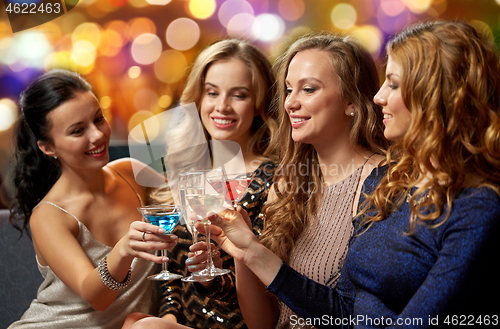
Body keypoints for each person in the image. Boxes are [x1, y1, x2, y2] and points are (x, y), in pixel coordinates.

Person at [200, 20, 500, 328]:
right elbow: (342, 312)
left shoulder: (474, 205)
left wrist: (364, 310)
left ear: (433, 97)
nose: (379, 96)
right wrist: (248, 251)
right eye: (289, 89)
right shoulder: (393, 185)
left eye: (393, 84)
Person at [190, 31, 387, 329]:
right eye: (287, 90)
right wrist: (241, 252)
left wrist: (254, 252)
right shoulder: (286, 185)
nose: (290, 103)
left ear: (352, 101)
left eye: (308, 89)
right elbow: (263, 324)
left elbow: (356, 318)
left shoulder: (382, 183)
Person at [127, 38, 278, 329]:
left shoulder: (272, 180)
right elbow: (170, 273)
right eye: (212, 92)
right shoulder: (184, 169)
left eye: (239, 95)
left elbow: (267, 285)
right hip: (185, 323)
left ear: (259, 103)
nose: (222, 106)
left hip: (240, 323)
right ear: (198, 99)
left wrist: (213, 281)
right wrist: (169, 319)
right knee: (139, 322)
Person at [8, 69, 175, 328]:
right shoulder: (49, 215)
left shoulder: (131, 173)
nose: (97, 135)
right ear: (48, 147)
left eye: (98, 119)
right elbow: (96, 297)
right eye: (78, 131)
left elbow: (190, 204)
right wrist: (124, 249)